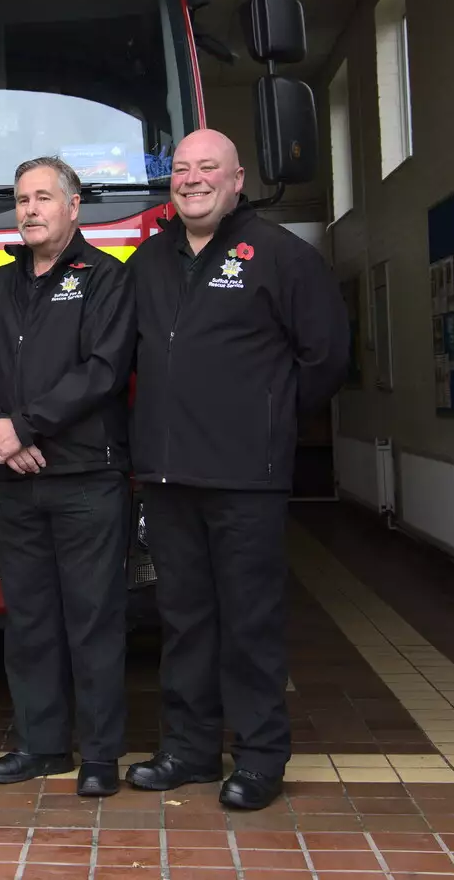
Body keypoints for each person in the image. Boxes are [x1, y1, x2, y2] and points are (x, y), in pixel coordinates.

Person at [123, 129, 349, 810]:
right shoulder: (148, 261)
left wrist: (268, 419)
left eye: (208, 168)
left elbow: (327, 356)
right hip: (166, 477)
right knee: (185, 620)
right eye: (183, 169)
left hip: (247, 475)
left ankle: (258, 758)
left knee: (250, 623)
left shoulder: (282, 257)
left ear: (237, 179)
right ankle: (189, 751)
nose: (193, 179)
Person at [0, 156, 137, 798]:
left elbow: (102, 371)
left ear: (73, 206)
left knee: (92, 619)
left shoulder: (105, 280)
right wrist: (1, 434)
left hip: (87, 478)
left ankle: (99, 756)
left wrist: (26, 427)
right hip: (17, 481)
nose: (30, 209)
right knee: (29, 621)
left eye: (43, 198)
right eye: (22, 199)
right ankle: (42, 746)